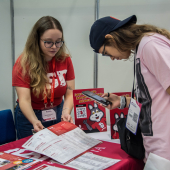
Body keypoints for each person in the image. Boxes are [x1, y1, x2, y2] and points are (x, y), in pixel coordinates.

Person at [89, 15, 170, 163]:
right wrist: (122, 101)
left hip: (165, 151)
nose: (112, 58)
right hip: (156, 148)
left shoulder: (149, 45)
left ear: (111, 39)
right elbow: (154, 98)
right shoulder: (142, 48)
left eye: (106, 53)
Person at [12, 16, 75, 139]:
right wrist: (34, 121)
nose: (54, 47)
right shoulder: (24, 64)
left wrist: (66, 111)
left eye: (58, 41)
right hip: (30, 116)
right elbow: (24, 100)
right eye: (48, 42)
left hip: (57, 111)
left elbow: (70, 92)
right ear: (37, 41)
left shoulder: (65, 60)